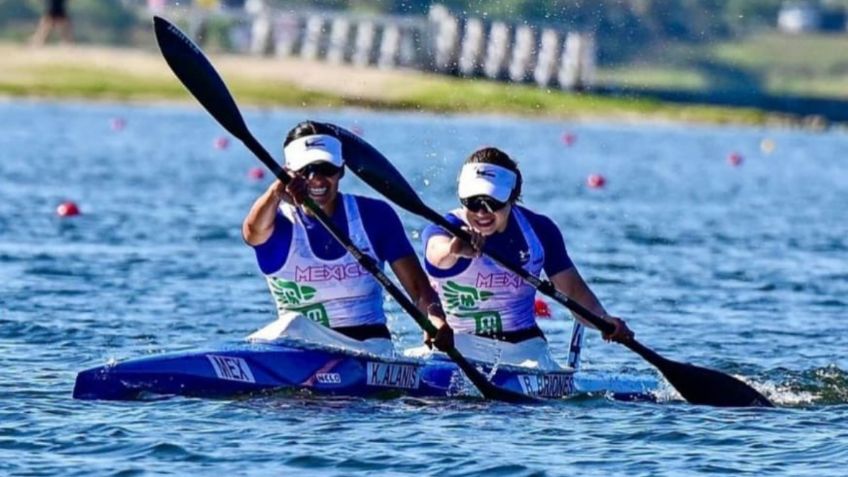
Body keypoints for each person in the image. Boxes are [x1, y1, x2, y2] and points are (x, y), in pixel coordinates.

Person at [243, 121, 452, 355]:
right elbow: (251, 231)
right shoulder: (276, 223)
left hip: (368, 348)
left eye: (327, 169)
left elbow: (419, 290)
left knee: (293, 326)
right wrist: (274, 192)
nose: (318, 179)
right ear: (289, 172)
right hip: (298, 347)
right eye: (306, 170)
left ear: (342, 169)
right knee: (292, 324)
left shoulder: (375, 216)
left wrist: (435, 319)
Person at [421, 147, 632, 367]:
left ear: (513, 197)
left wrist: (603, 319)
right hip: (458, 345)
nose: (482, 213)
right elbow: (436, 254)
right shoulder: (444, 229)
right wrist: (454, 249)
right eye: (473, 202)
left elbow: (573, 291)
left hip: (525, 351)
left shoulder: (539, 230)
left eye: (492, 202)